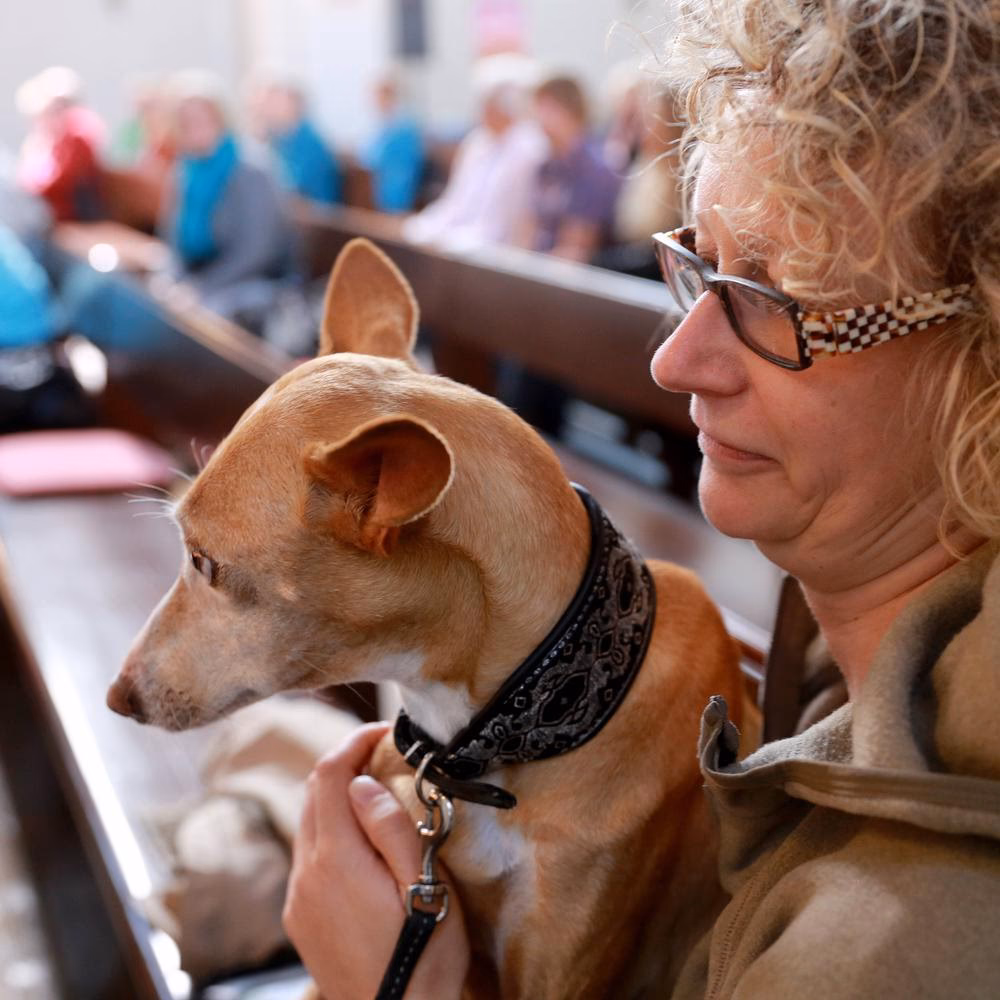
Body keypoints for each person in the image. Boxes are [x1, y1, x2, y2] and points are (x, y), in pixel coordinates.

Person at [282, 0, 1000, 996]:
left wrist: (396, 986)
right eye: (698, 267)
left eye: (769, 298)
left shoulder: (886, 944)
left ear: (984, 359)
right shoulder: (842, 631)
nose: (675, 358)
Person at [159, 72, 294, 328]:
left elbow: (257, 251)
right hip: (201, 277)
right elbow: (172, 237)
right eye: (185, 121)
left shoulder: (251, 168)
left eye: (202, 119)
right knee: (158, 301)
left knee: (203, 319)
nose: (193, 127)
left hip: (253, 283)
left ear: (221, 118)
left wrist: (201, 289)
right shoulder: (185, 169)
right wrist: (175, 281)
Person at [403, 54, 546, 249]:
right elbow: (455, 202)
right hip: (463, 239)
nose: (482, 110)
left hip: (498, 248)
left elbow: (506, 218)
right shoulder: (476, 142)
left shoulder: (530, 146)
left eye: (489, 103)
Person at [518, 74, 620, 262]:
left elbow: (575, 250)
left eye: (547, 107)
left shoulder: (595, 169)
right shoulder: (544, 165)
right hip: (537, 270)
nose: (538, 117)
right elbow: (527, 230)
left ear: (570, 110)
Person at [15, 66, 104, 222]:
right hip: (46, 217)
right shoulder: (42, 140)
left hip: (74, 218)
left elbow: (54, 185)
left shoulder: (78, 136)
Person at [254, 75, 342, 206]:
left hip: (314, 214)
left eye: (277, 103)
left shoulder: (311, 142)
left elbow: (298, 187)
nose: (271, 110)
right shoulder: (281, 138)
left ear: (295, 106)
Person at [362, 73, 424, 214]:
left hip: (400, 189)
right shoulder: (385, 124)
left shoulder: (403, 126)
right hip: (384, 186)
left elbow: (377, 156)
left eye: (381, 97)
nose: (377, 102)